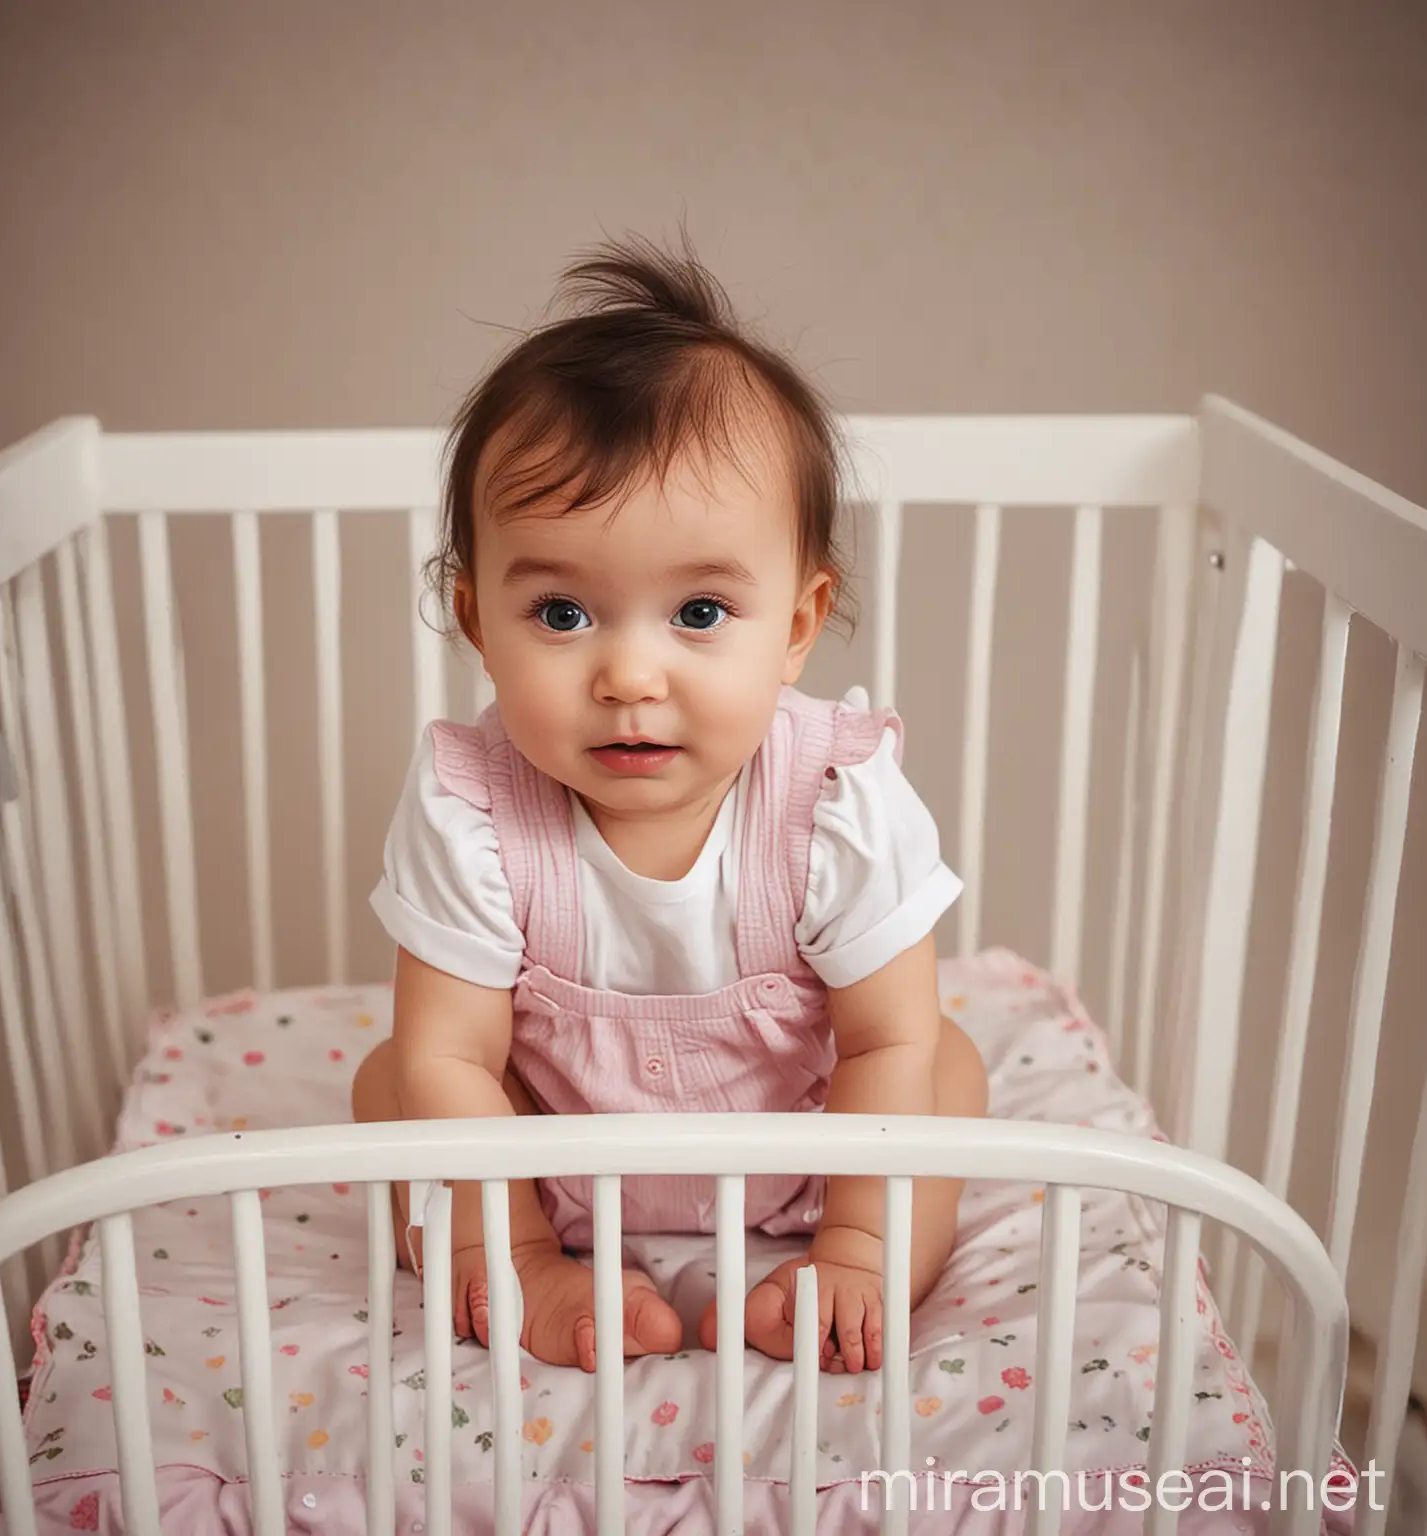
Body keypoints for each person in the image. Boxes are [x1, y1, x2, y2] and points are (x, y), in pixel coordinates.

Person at [352, 230, 988, 1374]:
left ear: (797, 625)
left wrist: (856, 1230)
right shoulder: (468, 805)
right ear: (475, 623)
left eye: (698, 614)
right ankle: (529, 1272)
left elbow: (883, 1037)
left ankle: (855, 1273)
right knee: (394, 1081)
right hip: (546, 1162)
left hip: (810, 1147)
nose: (630, 678)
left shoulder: (839, 799)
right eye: (561, 614)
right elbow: (451, 1059)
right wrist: (511, 1222)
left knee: (943, 1062)